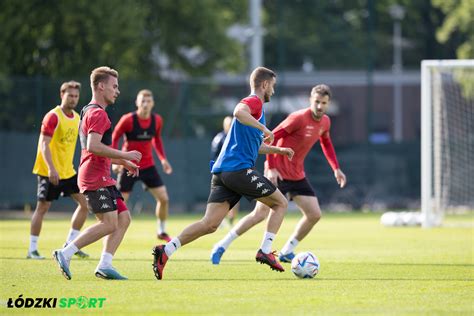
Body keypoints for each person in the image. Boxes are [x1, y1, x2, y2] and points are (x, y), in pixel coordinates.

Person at [152, 66, 295, 280]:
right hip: (237, 170)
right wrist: (265, 129)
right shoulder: (254, 102)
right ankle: (265, 250)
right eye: (272, 86)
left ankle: (166, 251)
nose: (273, 91)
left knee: (209, 224)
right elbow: (238, 111)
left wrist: (279, 150)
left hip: (222, 173)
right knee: (280, 203)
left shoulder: (256, 114)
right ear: (264, 84)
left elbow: (253, 146)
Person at [210, 84, 347, 265]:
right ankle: (222, 245)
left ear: (328, 104)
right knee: (259, 215)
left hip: (297, 175)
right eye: (317, 102)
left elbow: (326, 143)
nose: (320, 106)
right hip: (278, 174)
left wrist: (336, 168)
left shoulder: (325, 122)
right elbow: (270, 136)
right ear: (310, 101)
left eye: (324, 103)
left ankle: (286, 251)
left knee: (314, 214)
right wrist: (271, 166)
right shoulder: (298, 118)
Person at [52, 66, 142, 280]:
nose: (117, 91)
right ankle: (65, 252)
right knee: (109, 223)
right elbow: (93, 146)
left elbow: (97, 150)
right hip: (94, 177)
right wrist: (126, 155)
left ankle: (105, 264)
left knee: (124, 218)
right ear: (101, 86)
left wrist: (122, 162)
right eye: (114, 86)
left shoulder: (88, 110)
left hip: (102, 175)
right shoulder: (98, 114)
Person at [29, 81, 89, 260]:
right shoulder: (53, 116)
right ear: (62, 95)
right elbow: (43, 144)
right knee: (42, 208)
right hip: (49, 171)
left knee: (85, 204)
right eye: (70, 95)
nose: (73, 99)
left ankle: (70, 243)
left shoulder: (77, 118)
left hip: (67, 172)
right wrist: (51, 169)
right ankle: (32, 249)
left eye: (76, 96)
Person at [112, 89, 173, 241]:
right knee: (120, 202)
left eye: (148, 101)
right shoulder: (128, 119)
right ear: (137, 103)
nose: (145, 104)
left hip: (148, 166)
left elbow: (157, 140)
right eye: (142, 101)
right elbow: (115, 137)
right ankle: (111, 229)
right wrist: (115, 159)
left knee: (164, 199)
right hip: (128, 165)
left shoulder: (157, 120)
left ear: (153, 104)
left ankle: (161, 230)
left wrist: (163, 159)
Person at [210, 116, 239, 227]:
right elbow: (214, 155)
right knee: (221, 197)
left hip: (235, 171)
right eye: (228, 123)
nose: (230, 125)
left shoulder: (237, 137)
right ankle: (219, 218)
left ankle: (231, 219)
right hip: (222, 172)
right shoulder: (220, 138)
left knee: (236, 196)